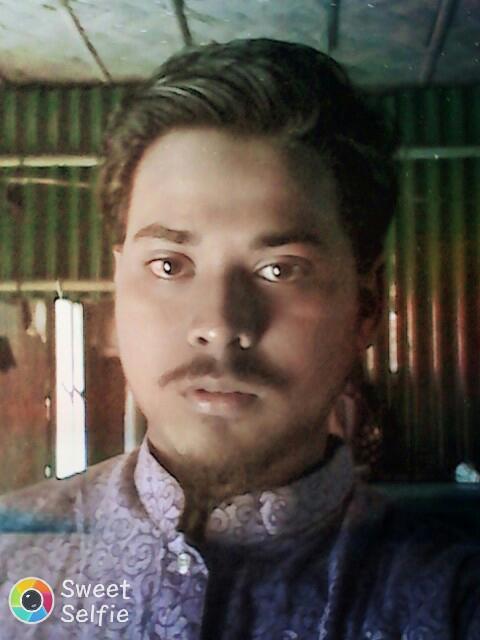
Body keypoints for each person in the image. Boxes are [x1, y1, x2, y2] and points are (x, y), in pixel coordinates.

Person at [0, 38, 478, 640]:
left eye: (279, 269)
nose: (220, 323)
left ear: (365, 305)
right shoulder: (12, 559)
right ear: (118, 286)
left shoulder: (451, 600)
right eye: (170, 264)